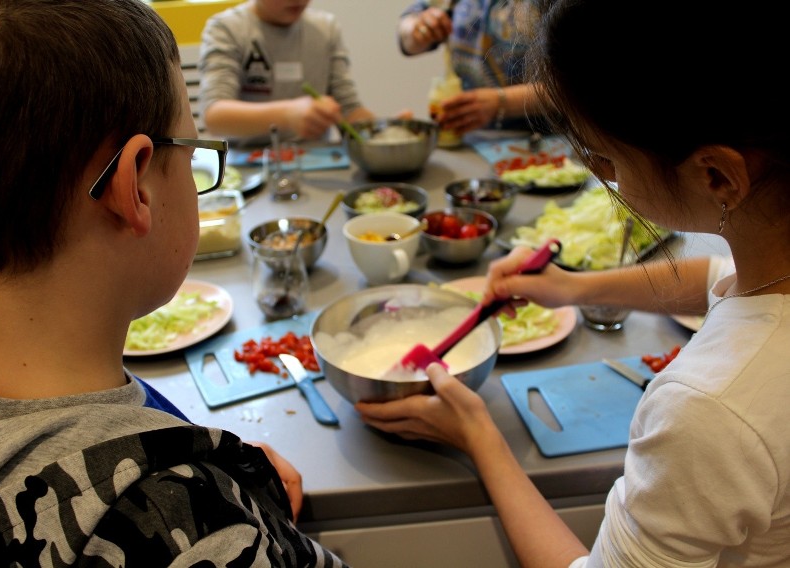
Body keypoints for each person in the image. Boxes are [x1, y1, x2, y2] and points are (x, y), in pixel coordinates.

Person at [358, 1, 790, 566]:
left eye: (605, 159)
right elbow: (721, 281)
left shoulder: (707, 413)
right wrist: (573, 289)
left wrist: (480, 437)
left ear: (715, 175)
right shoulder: (770, 268)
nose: (601, 175)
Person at [0, 1, 347, 565]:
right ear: (136, 188)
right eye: (195, 149)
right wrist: (220, 510)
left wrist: (214, 465)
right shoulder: (188, 528)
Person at [199, 0, 375, 146]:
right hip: (249, 168)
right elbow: (215, 117)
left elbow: (349, 110)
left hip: (316, 162)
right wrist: (287, 115)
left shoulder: (326, 28)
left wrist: (387, 131)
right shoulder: (226, 28)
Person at [398, 0, 548, 136]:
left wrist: (501, 102)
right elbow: (407, 28)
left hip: (545, 141)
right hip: (468, 137)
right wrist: (416, 29)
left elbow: (569, 83)